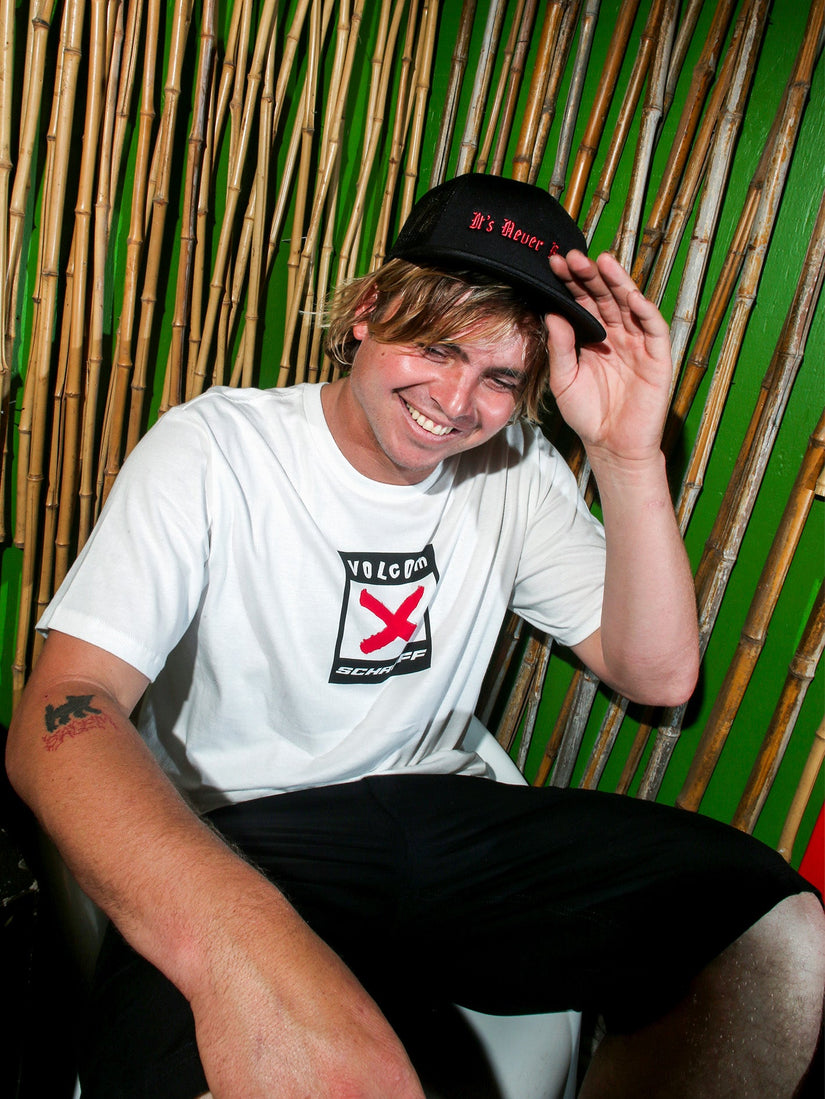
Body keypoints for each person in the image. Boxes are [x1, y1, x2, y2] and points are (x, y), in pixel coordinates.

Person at [5, 173, 823, 1099]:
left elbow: (658, 673)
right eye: (436, 346)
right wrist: (242, 940)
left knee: (769, 928)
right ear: (366, 312)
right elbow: (60, 709)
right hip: (243, 832)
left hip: (437, 815)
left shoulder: (511, 467)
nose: (455, 401)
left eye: (499, 378)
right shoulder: (217, 448)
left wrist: (625, 454)